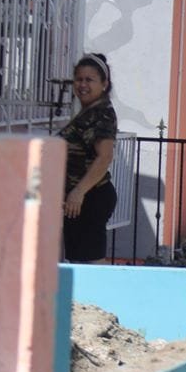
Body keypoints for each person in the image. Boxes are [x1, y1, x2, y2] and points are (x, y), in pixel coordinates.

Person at [60, 53, 118, 263]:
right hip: (78, 201)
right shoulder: (88, 111)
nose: (82, 85)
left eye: (89, 80)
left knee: (91, 267)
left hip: (90, 198)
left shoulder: (102, 114)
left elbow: (104, 157)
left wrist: (78, 192)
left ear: (104, 84)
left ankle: (97, 298)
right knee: (78, 265)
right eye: (79, 79)